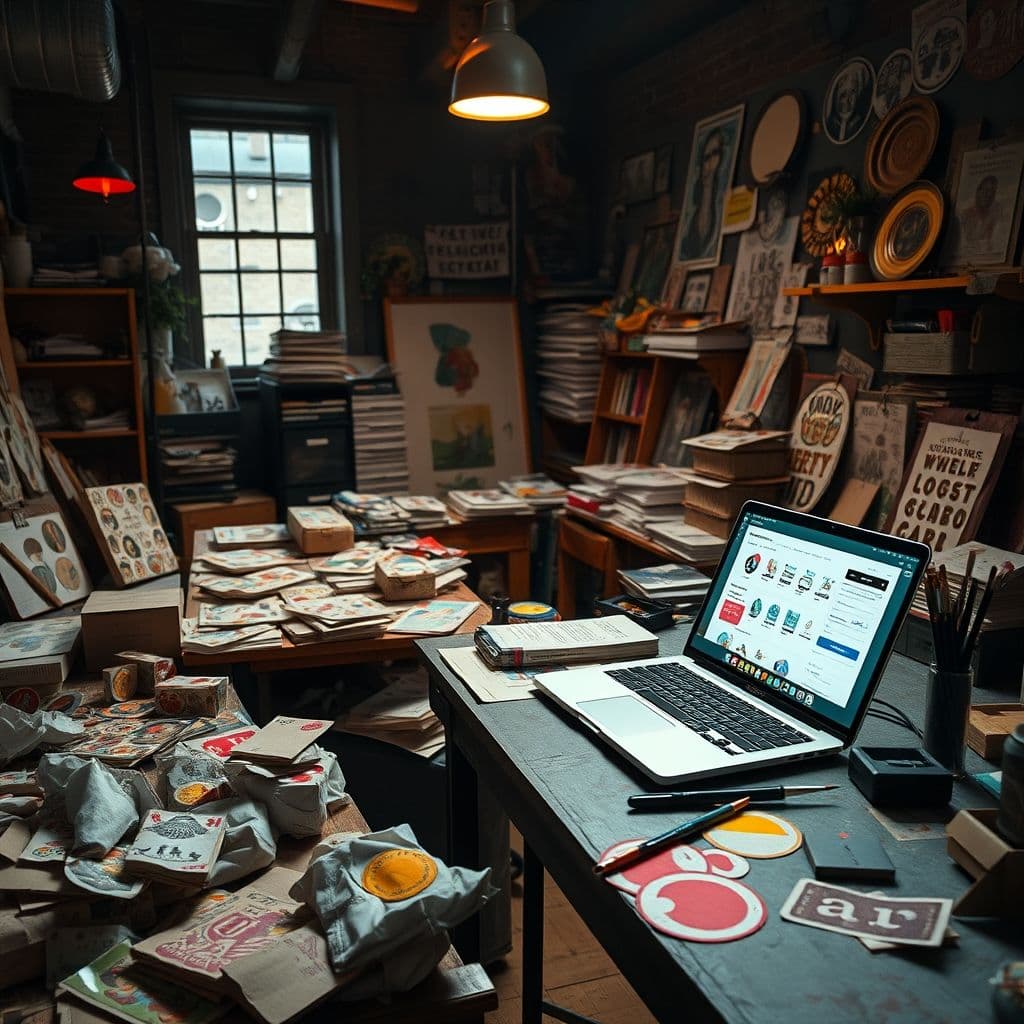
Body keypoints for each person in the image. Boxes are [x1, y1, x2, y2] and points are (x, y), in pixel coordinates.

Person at [679, 127, 727, 262]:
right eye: (707, 157)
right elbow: (700, 238)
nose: (712, 161)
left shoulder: (721, 195)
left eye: (716, 153)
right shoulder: (693, 213)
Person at [826, 62, 870, 143]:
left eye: (852, 93)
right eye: (843, 95)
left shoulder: (858, 124)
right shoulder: (832, 125)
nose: (846, 101)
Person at [958, 174, 1002, 255]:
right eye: (986, 190)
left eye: (992, 192)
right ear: (978, 191)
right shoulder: (964, 215)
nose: (988, 195)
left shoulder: (995, 215)